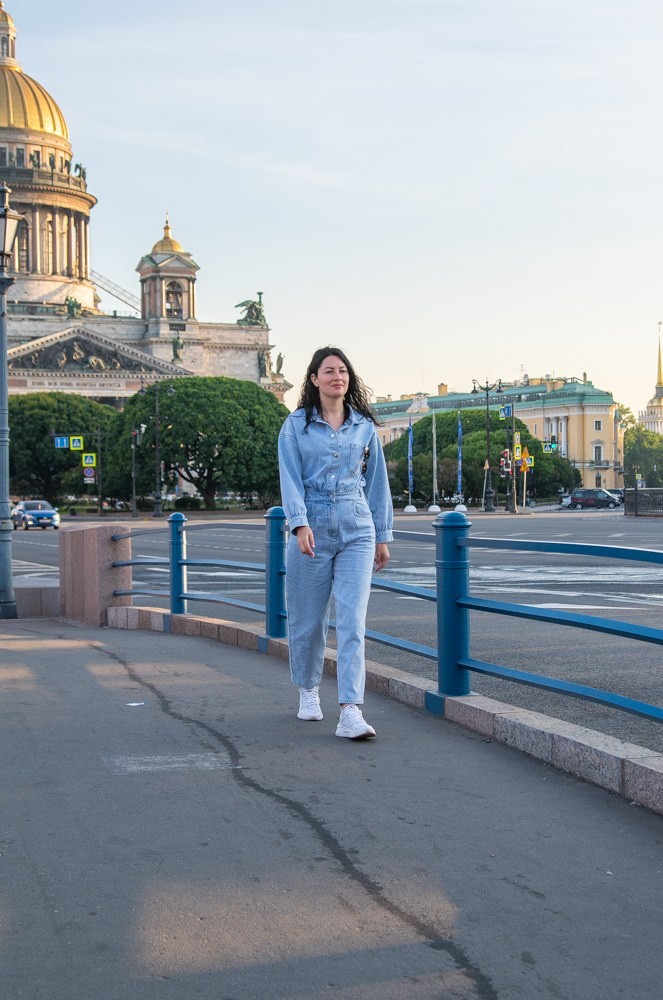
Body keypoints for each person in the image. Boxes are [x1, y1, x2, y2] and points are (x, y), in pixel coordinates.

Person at [278, 347, 393, 740]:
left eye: (342, 371)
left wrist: (381, 535)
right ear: (314, 379)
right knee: (308, 621)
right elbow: (289, 477)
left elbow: (377, 482)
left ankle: (350, 709)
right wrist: (298, 523)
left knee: (352, 621)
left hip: (356, 526)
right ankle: (309, 691)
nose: (336, 377)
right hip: (311, 524)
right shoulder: (295, 426)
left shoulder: (363, 426)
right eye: (328, 371)